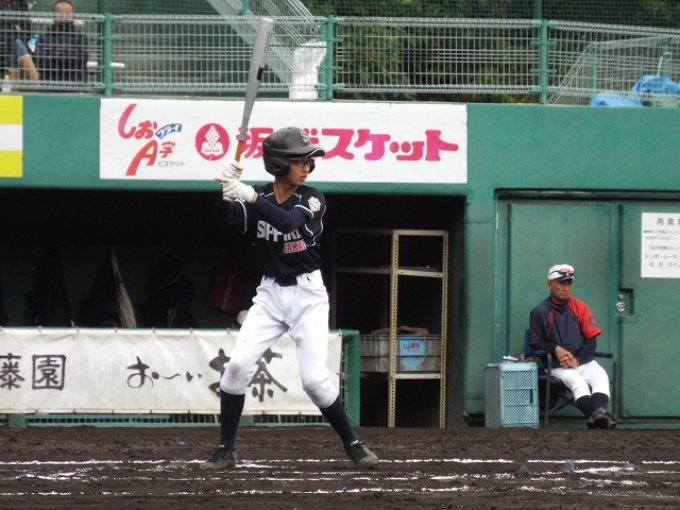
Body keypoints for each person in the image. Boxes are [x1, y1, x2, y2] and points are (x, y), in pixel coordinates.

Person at [202, 126, 379, 470]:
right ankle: (226, 448)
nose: (306, 167)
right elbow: (224, 220)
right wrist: (224, 191)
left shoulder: (312, 198)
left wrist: (248, 195)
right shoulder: (258, 196)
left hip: (307, 295)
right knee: (236, 367)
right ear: (278, 164)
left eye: (308, 161)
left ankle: (353, 443)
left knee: (314, 381)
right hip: (269, 294)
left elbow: (287, 223)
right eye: (299, 161)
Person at [529, 263, 616, 429]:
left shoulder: (580, 307)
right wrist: (556, 349)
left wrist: (577, 360)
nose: (566, 287)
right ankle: (600, 416)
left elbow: (591, 339)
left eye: (569, 283)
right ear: (550, 284)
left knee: (600, 376)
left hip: (582, 361)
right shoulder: (539, 312)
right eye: (561, 283)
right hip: (557, 365)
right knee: (577, 382)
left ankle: (596, 416)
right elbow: (535, 343)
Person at [33, 0, 88, 85]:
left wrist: (53, 56)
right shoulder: (43, 38)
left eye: (67, 14)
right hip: (49, 84)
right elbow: (41, 64)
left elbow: (80, 63)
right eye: (60, 14)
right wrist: (66, 57)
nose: (64, 17)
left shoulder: (81, 38)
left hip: (75, 84)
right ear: (54, 15)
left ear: (73, 16)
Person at [0, 0, 38, 87]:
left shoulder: (21, 4)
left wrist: (18, 30)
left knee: (13, 55)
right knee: (17, 43)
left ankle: (14, 92)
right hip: (3, 44)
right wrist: (14, 28)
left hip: (16, 45)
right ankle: (35, 83)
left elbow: (28, 31)